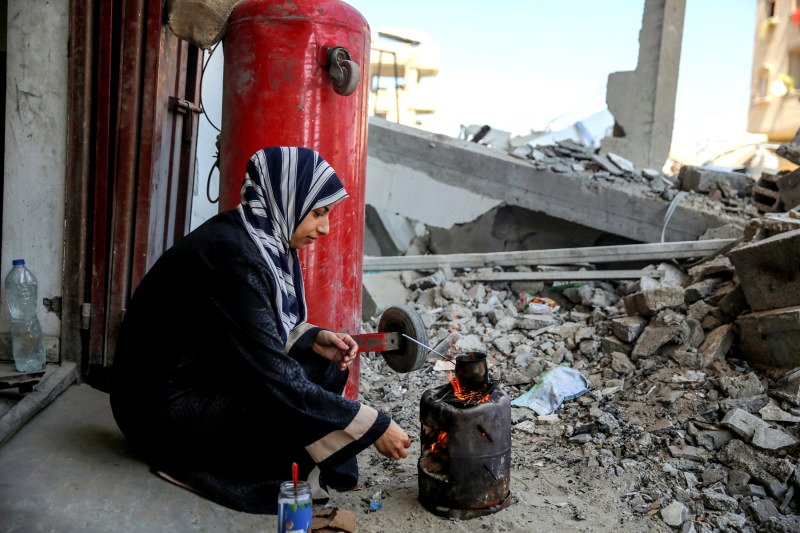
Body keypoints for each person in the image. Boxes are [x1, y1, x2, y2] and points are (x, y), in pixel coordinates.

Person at [109, 146, 411, 514]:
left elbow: (249, 330)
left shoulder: (255, 237)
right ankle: (200, 466)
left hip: (192, 377)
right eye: (318, 213)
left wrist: (312, 338)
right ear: (286, 201)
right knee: (284, 398)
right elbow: (272, 373)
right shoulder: (236, 257)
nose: (326, 228)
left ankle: (288, 456)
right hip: (159, 414)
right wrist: (374, 424)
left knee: (323, 363)